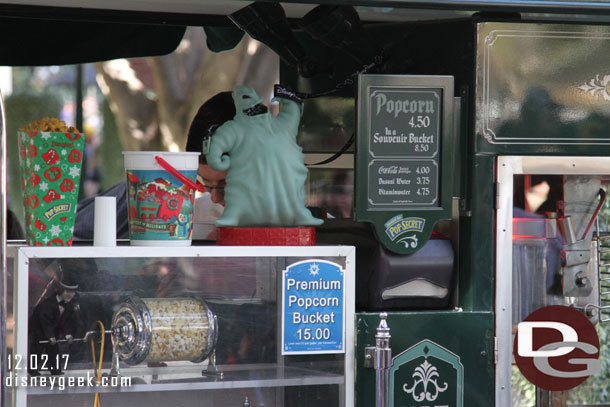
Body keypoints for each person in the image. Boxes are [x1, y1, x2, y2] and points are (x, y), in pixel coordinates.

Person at [73, 91, 235, 240]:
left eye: (225, 185)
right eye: (205, 184)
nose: (214, 198)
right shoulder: (196, 214)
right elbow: (71, 232)